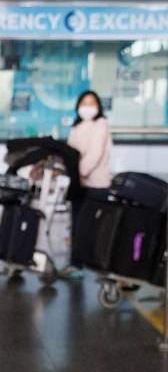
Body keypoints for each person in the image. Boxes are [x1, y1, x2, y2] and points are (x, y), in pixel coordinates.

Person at [63, 90, 114, 278]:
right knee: (77, 225)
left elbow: (95, 154)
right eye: (84, 103)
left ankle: (103, 267)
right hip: (78, 185)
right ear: (78, 106)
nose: (88, 107)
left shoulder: (101, 125)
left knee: (97, 227)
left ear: (98, 106)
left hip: (97, 185)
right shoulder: (76, 127)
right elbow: (69, 153)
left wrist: (80, 172)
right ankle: (76, 264)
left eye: (92, 103)